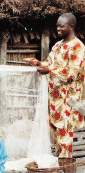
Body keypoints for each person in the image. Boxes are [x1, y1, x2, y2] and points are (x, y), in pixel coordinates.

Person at [25, 13, 85, 157]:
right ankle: (60, 164)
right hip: (55, 97)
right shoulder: (57, 45)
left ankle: (65, 165)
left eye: (61, 26)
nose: (57, 29)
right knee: (57, 132)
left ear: (71, 27)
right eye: (57, 26)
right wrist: (39, 63)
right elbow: (50, 63)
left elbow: (72, 72)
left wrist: (49, 71)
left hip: (68, 98)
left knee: (65, 132)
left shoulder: (78, 47)